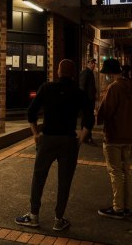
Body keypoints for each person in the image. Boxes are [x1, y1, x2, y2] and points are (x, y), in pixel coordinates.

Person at [15, 59, 91, 231]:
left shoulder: (47, 88)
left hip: (48, 139)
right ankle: (58, 219)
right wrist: (81, 138)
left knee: (39, 177)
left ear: (58, 71)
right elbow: (89, 118)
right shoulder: (78, 93)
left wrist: (36, 134)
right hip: (68, 141)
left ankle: (34, 216)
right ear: (73, 74)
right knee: (65, 181)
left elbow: (31, 112)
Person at [96, 60, 132, 219]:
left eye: (106, 74)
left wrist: (97, 114)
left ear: (111, 73)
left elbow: (106, 110)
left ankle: (117, 208)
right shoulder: (129, 86)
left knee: (115, 172)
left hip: (114, 135)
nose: (106, 76)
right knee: (126, 171)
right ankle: (126, 206)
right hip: (128, 134)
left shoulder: (114, 88)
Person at [78, 57, 97, 144]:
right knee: (87, 119)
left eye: (94, 63)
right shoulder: (85, 72)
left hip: (90, 101)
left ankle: (87, 136)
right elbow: (82, 87)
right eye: (92, 62)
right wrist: (83, 100)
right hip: (87, 101)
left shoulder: (90, 73)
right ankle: (86, 137)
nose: (93, 64)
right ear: (87, 63)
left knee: (88, 119)